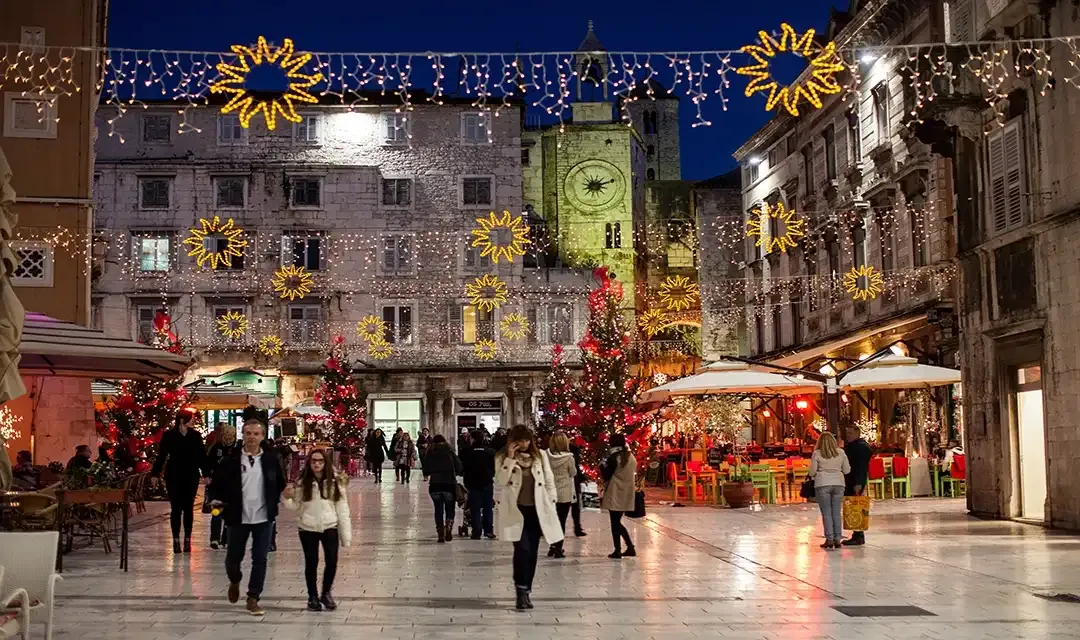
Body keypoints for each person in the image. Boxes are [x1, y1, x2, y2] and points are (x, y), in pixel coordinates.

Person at [209, 419, 287, 617]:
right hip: (238, 517)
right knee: (233, 559)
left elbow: (280, 483)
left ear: (262, 436)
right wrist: (215, 500)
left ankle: (253, 597)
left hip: (263, 517)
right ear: (243, 435)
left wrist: (283, 496)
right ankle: (235, 580)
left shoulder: (270, 460)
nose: (252, 437)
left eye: (256, 434)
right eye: (248, 433)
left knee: (260, 559)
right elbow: (217, 485)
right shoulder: (230, 461)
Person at [495, 425, 562, 611]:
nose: (523, 444)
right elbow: (500, 480)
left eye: (526, 440)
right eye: (519, 440)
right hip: (516, 512)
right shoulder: (502, 458)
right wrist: (509, 458)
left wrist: (552, 501)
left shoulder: (540, 456)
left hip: (537, 511)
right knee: (522, 550)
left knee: (532, 552)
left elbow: (549, 480)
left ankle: (526, 590)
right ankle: (520, 590)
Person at [283, 448, 352, 612]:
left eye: (320, 461)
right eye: (314, 461)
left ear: (325, 462)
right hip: (308, 528)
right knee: (311, 562)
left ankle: (326, 593)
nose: (317, 464)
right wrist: (287, 498)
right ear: (309, 462)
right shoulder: (302, 482)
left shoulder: (335, 481)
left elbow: (342, 508)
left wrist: (346, 535)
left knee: (332, 561)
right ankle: (312, 596)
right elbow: (296, 506)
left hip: (330, 526)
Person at [150, 411, 207, 553]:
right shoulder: (169, 436)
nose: (193, 422)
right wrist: (155, 473)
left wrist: (206, 473)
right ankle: (176, 539)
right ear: (182, 420)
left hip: (191, 475)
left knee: (188, 507)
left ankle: (187, 538)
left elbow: (201, 455)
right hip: (173, 475)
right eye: (190, 419)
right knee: (175, 508)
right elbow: (161, 455)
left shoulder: (195, 436)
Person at [808, 432, 850, 549]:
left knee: (826, 513)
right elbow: (846, 470)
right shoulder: (841, 453)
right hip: (839, 484)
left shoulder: (817, 454)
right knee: (836, 512)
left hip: (822, 483)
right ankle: (837, 539)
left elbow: (812, 472)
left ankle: (829, 539)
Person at [600, 433, 637, 559]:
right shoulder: (630, 456)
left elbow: (607, 475)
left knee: (615, 522)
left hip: (615, 491)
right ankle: (629, 547)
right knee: (617, 521)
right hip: (627, 491)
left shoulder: (613, 457)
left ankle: (618, 549)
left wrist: (602, 467)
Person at [421, 434, 464, 542]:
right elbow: (459, 469)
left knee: (438, 509)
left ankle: (440, 532)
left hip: (435, 485)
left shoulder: (430, 453)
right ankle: (448, 527)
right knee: (450, 508)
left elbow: (425, 470)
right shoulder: (450, 452)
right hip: (449, 484)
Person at [205, 424, 240, 549]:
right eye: (227, 435)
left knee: (229, 513)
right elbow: (208, 464)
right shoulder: (216, 448)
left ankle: (226, 538)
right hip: (217, 486)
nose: (229, 438)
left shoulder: (238, 449)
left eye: (231, 435)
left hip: (232, 486)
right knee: (217, 512)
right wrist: (208, 476)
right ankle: (215, 538)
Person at [545, 431, 577, 558]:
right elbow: (573, 473)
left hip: (550, 493)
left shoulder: (546, 456)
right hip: (564, 493)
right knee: (561, 522)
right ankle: (558, 548)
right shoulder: (569, 458)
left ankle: (552, 546)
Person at [462, 430, 496, 540]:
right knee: (488, 507)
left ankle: (476, 532)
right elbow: (495, 467)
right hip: (487, 483)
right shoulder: (490, 452)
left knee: (475, 508)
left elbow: (464, 468)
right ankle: (488, 531)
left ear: (473, 439)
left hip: (473, 484)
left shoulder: (467, 452)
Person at [842, 426, 873, 547]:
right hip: (851, 480)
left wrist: (858, 483)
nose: (848, 435)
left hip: (856, 481)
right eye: (847, 433)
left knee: (857, 507)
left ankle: (859, 535)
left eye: (850, 433)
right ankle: (856, 533)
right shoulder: (854, 446)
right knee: (853, 507)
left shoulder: (860, 447)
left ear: (857, 434)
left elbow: (861, 467)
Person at [568, 439, 587, 537]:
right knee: (573, 507)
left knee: (575, 507)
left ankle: (577, 527)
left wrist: (582, 478)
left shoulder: (574, 450)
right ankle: (577, 528)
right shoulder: (573, 452)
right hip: (571, 481)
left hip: (573, 481)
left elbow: (576, 468)